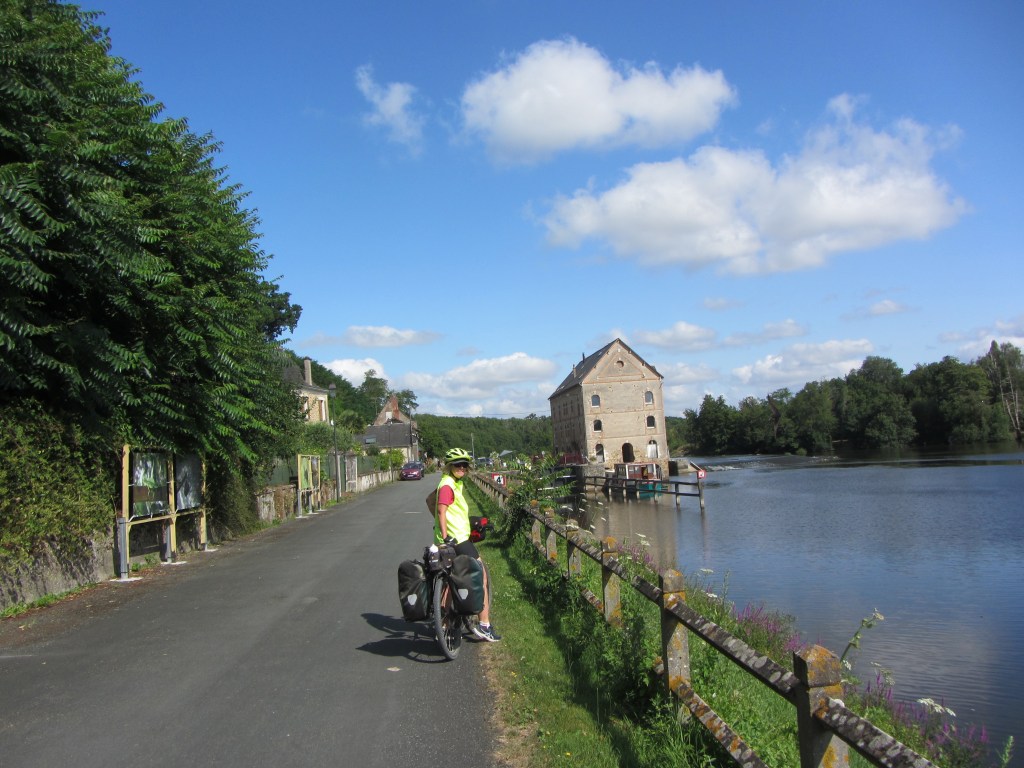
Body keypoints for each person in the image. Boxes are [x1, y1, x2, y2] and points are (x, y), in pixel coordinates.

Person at [433, 447, 501, 642]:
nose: (462, 468)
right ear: (449, 466)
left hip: (448, 539)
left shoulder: (450, 482)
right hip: (456, 540)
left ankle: (444, 625)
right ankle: (484, 625)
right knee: (481, 576)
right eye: (458, 465)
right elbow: (441, 510)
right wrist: (446, 535)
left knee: (450, 580)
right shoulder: (448, 485)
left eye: (464, 465)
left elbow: (437, 505)